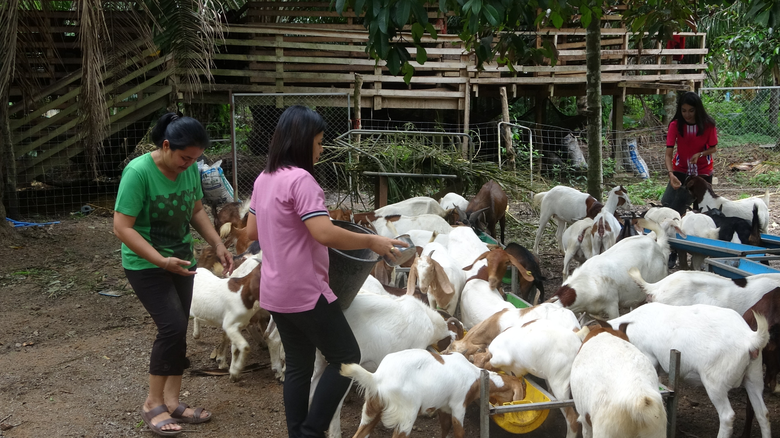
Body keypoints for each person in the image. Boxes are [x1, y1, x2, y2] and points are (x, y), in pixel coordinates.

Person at [245, 105, 407, 438]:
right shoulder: (301, 180)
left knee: (299, 367)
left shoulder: (265, 178)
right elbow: (323, 232)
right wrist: (372, 240)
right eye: (319, 142)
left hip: (275, 292)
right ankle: (312, 432)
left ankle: (299, 434)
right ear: (303, 142)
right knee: (347, 356)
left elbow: (251, 232)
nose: (321, 149)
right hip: (305, 290)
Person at [113, 113, 234, 436]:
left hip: (181, 260)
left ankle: (173, 400)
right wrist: (159, 260)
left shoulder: (189, 169)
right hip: (145, 264)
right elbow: (122, 227)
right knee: (172, 325)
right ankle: (153, 403)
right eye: (184, 157)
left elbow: (195, 209)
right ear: (166, 146)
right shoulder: (138, 173)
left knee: (178, 328)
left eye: (194, 159)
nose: (189, 165)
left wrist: (217, 243)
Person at [661, 91, 718, 212]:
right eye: (684, 110)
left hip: (703, 171)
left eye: (691, 110)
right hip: (680, 169)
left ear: (698, 109)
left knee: (702, 210)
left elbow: (713, 148)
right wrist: (671, 174)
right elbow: (668, 154)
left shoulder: (708, 125)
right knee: (669, 205)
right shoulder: (675, 125)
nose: (687, 114)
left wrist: (700, 154)